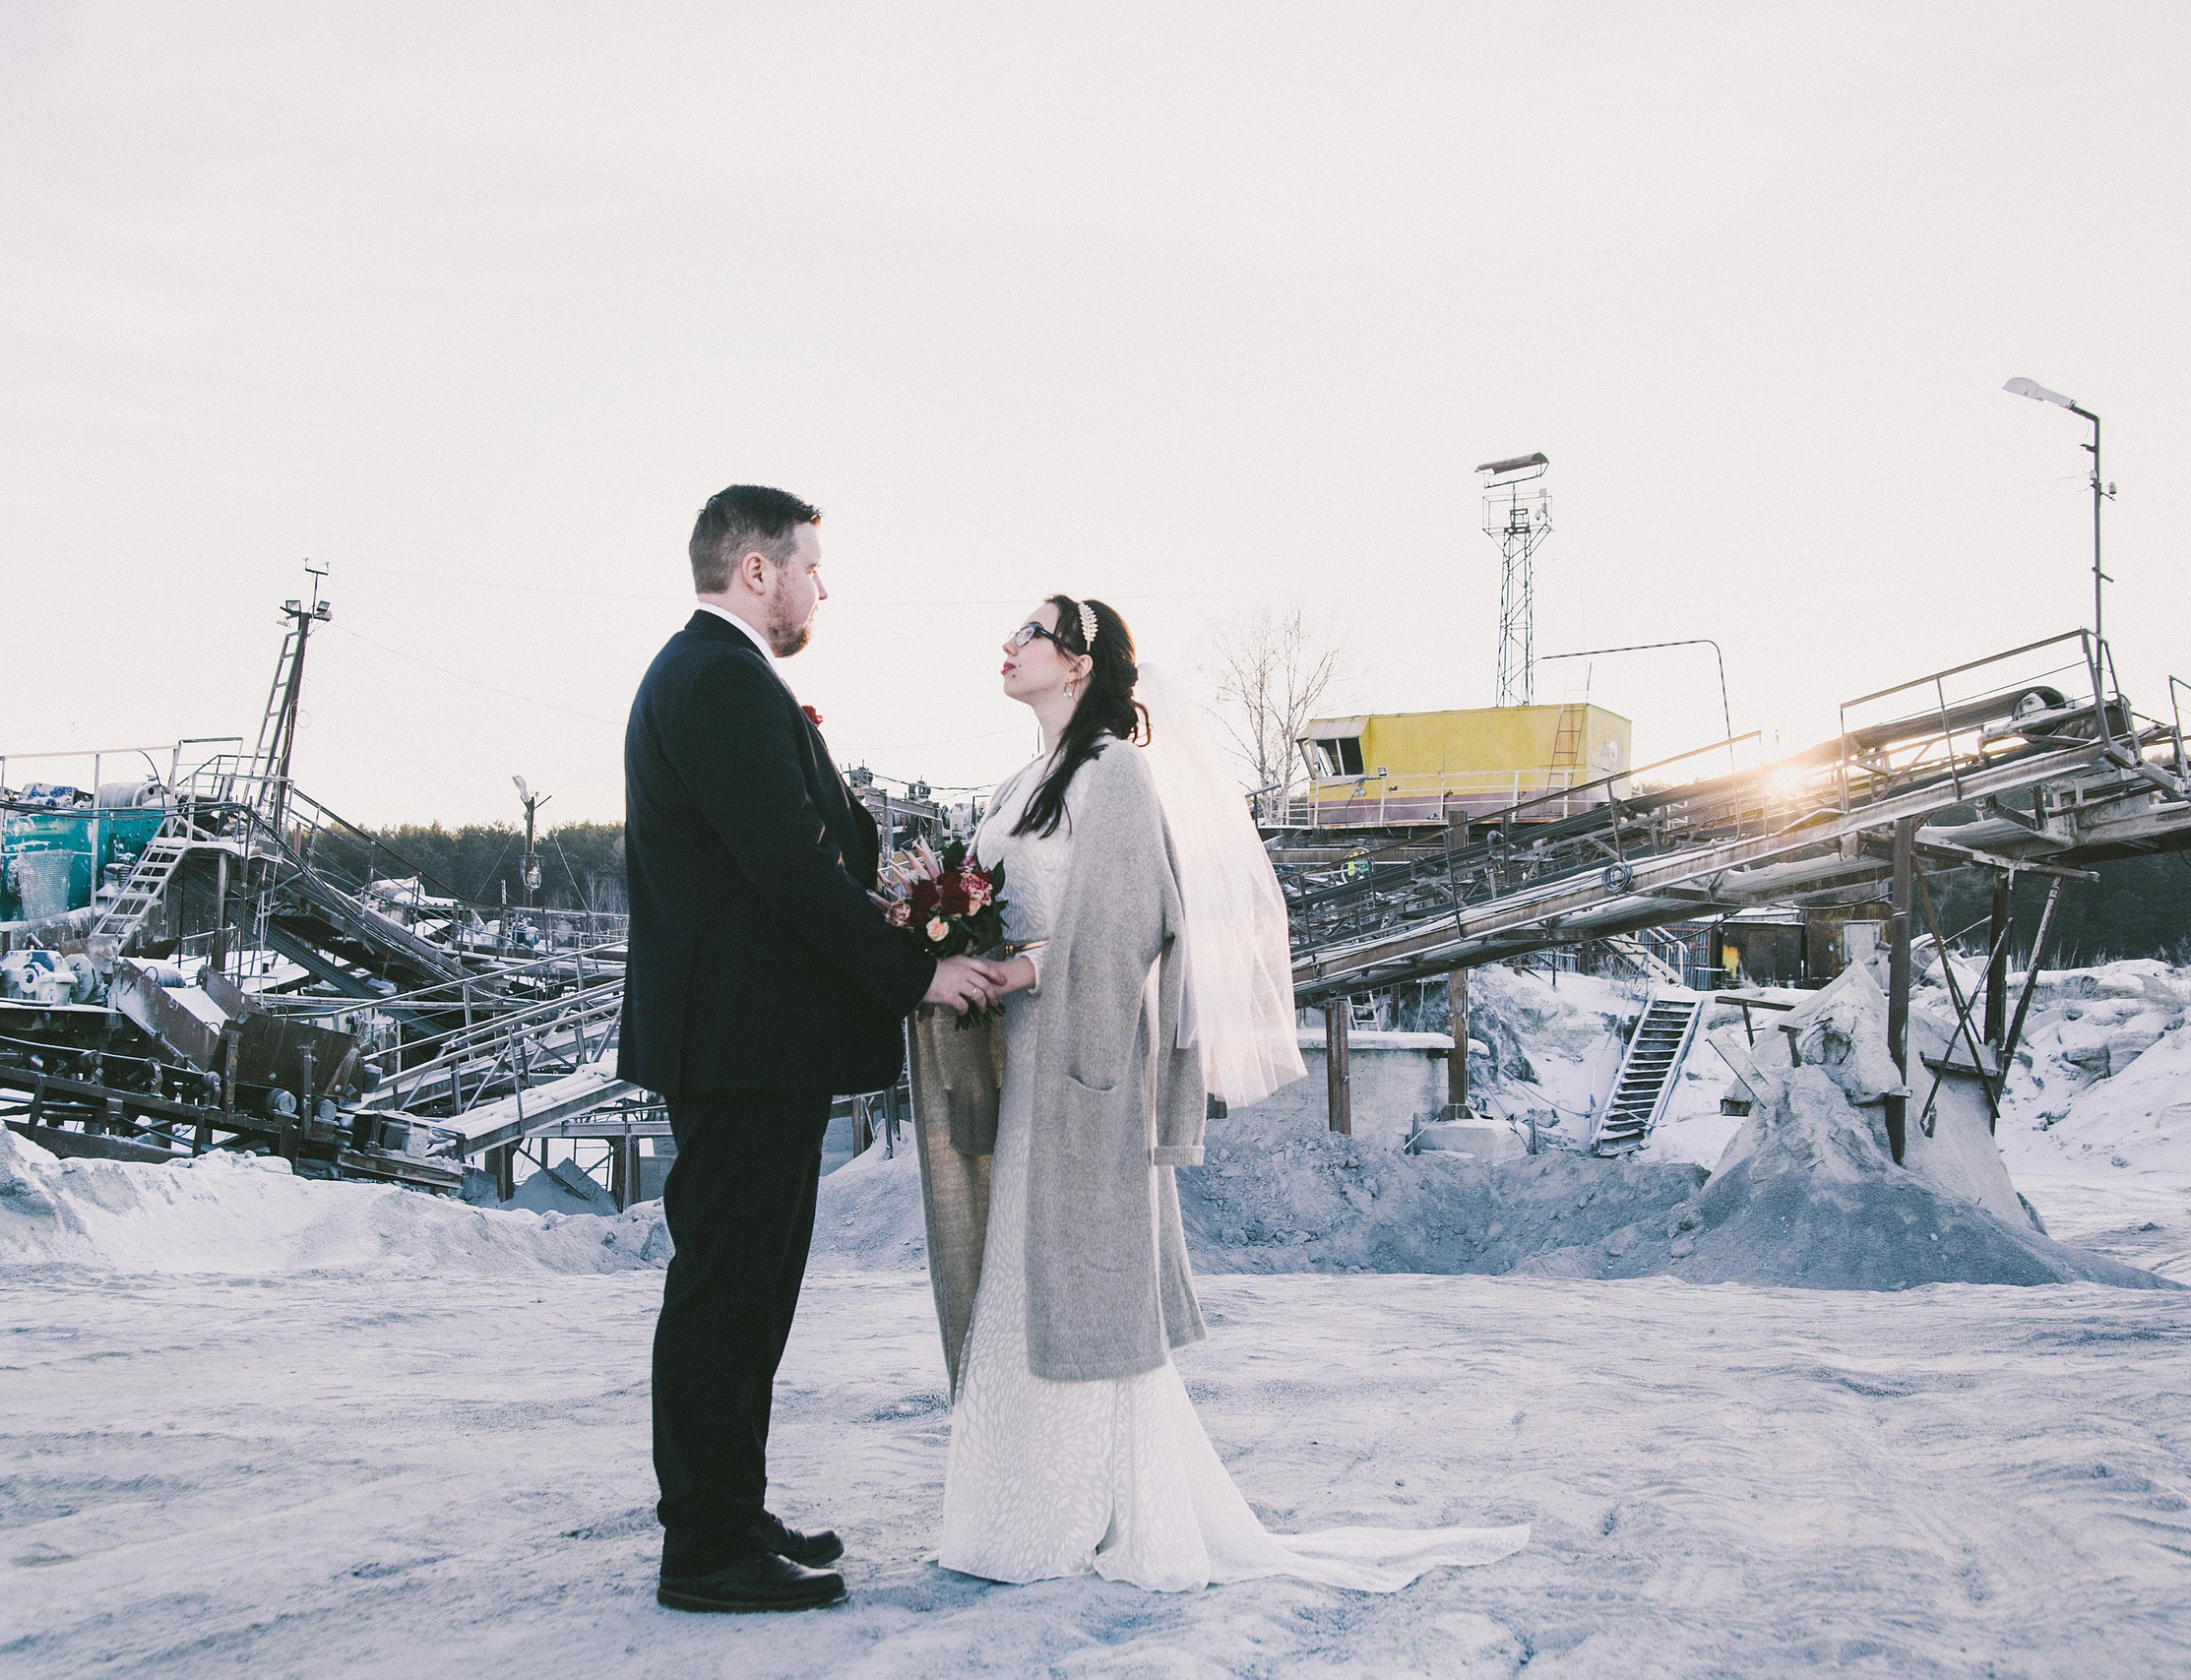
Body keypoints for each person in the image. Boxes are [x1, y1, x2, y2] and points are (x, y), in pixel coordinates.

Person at [919, 594, 1529, 1591]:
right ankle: (1016, 1510)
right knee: (1024, 1268)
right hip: (1023, 1058)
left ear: (1078, 664)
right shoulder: (1018, 782)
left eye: (1030, 632)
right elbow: (987, 897)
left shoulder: (1113, 774)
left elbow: (1130, 920)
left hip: (1087, 1061)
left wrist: (1022, 969)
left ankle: (1080, 1518)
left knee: (1083, 1278)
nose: (1008, 643)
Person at [621, 485, 1008, 1614]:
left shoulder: (718, 679)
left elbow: (801, 853)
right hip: (740, 1043)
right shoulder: (717, 680)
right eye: (811, 568)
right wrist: (915, 971)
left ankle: (728, 1510)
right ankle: (705, 1547)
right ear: (757, 571)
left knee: (747, 1291)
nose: (820, 589)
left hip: (748, 1041)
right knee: (727, 1294)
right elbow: (790, 869)